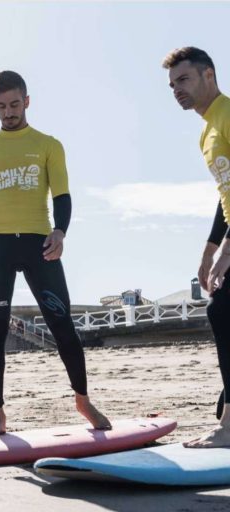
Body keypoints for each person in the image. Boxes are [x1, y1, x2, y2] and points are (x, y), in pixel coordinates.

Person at [0, 71, 111, 435]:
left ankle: (83, 400)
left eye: (14, 104)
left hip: (39, 243)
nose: (8, 112)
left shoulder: (48, 145)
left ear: (27, 101)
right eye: (0, 106)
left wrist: (61, 231)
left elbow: (62, 195)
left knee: (62, 325)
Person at [163, 47, 230, 448]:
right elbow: (226, 197)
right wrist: (209, 251)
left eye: (183, 80)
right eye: (172, 86)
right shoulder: (206, 130)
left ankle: (228, 428)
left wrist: (228, 249)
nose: (176, 91)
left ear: (208, 74)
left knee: (222, 308)